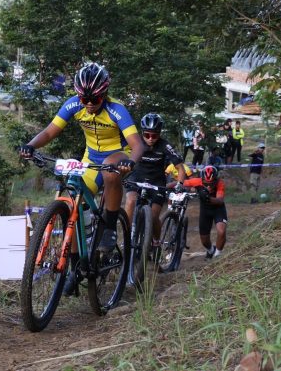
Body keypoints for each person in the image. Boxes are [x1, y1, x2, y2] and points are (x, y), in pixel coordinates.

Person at [19, 62, 144, 295]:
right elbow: (49, 132)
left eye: (94, 100)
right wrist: (30, 145)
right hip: (90, 157)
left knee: (109, 170)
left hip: (118, 154)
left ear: (104, 94)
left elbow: (137, 144)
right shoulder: (73, 104)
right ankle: (76, 267)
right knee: (74, 204)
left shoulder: (117, 110)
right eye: (83, 99)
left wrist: (131, 162)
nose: (88, 104)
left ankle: (108, 226)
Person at [124, 113, 187, 248]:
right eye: (147, 135)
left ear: (159, 134)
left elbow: (180, 168)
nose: (151, 139)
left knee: (153, 216)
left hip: (157, 182)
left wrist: (180, 184)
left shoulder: (165, 145)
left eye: (154, 135)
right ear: (142, 133)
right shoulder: (135, 142)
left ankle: (156, 242)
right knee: (130, 201)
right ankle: (127, 235)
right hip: (136, 177)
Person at [183, 165, 227, 259]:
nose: (208, 186)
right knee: (204, 241)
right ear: (202, 179)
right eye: (206, 183)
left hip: (218, 209)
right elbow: (181, 183)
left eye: (211, 183)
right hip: (205, 211)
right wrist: (165, 186)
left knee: (221, 231)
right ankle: (211, 250)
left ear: (216, 179)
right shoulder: (197, 181)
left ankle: (217, 255)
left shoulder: (220, 183)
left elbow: (220, 200)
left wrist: (207, 198)